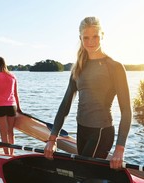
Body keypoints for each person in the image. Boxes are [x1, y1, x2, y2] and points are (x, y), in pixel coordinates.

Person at [44, 17, 132, 169]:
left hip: (101, 132)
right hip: (82, 129)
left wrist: (120, 148)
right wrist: (52, 139)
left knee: (84, 173)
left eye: (95, 36)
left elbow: (126, 111)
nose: (91, 41)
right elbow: (65, 104)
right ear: (80, 38)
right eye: (86, 37)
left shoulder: (115, 67)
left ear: (102, 35)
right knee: (86, 175)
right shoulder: (78, 67)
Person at [0, 56, 22, 155]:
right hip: (12, 107)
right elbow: (16, 94)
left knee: (3, 133)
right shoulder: (12, 76)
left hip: (0, 107)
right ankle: (12, 153)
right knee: (10, 132)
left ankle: (6, 155)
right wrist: (19, 108)